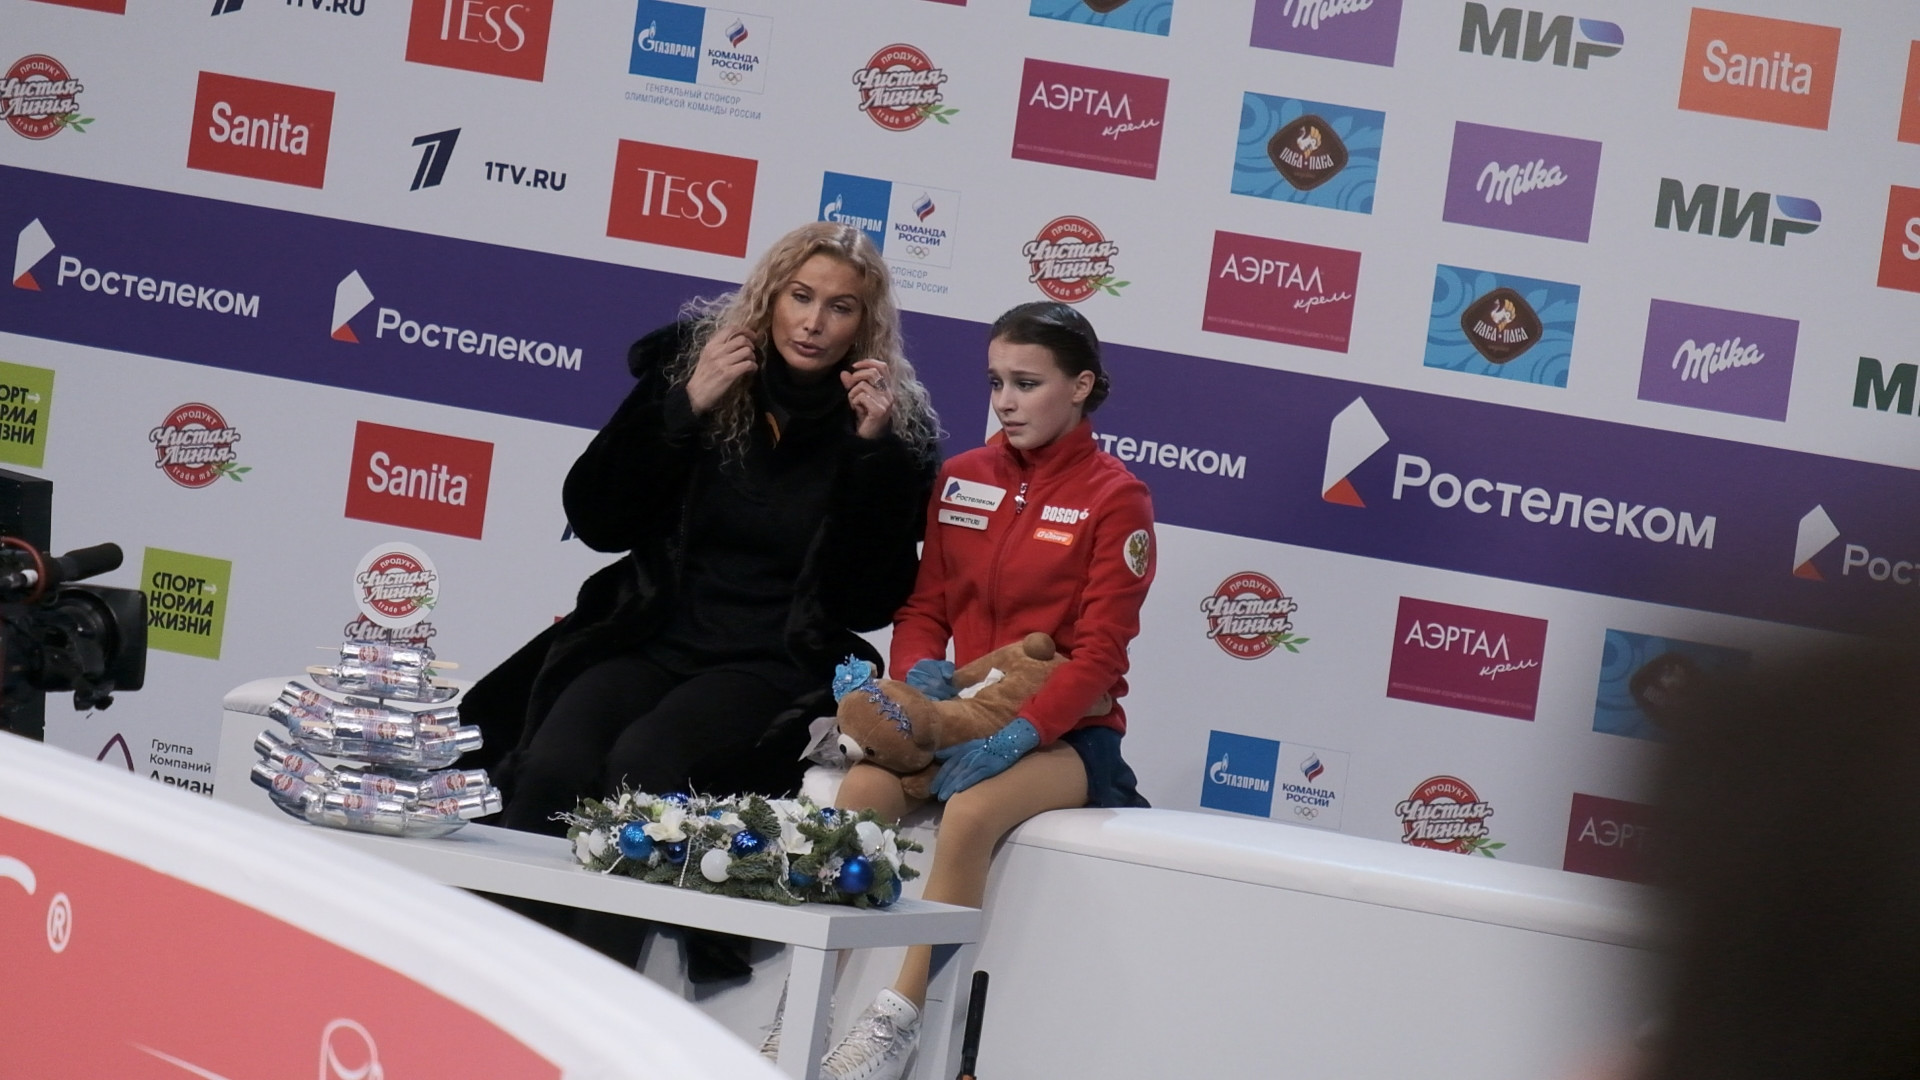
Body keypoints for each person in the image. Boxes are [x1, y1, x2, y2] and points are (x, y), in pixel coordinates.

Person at [459, 222, 939, 969]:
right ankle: (488, 976)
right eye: (800, 297)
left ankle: (595, 993)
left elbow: (868, 600)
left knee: (643, 766)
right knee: (553, 761)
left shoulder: (886, 428)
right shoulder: (695, 368)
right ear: (769, 298)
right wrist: (684, 408)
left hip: (771, 658)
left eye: (839, 307)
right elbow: (596, 518)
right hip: (653, 632)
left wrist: (869, 458)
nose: (814, 322)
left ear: (864, 325)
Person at [801, 301, 1155, 1080]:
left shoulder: (1116, 498)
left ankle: (897, 1022)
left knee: (968, 814)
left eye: (1027, 383)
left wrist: (1019, 732)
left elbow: (1099, 656)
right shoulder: (962, 476)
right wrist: (920, 681)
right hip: (956, 714)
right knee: (860, 793)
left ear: (1080, 387)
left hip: (1068, 734)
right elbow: (925, 607)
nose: (1005, 401)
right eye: (996, 382)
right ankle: (807, 1008)